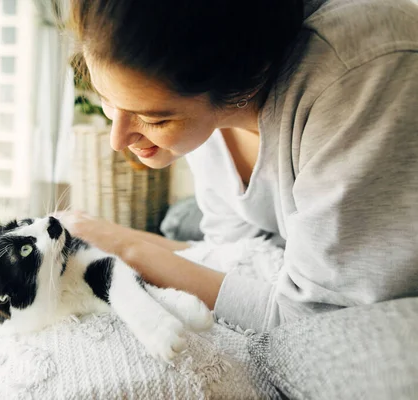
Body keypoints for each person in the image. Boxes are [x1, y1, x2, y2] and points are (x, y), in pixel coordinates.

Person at [61, 0, 418, 332]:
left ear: (237, 84)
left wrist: (129, 251)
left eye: (154, 119)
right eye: (106, 98)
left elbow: (315, 321)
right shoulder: (206, 110)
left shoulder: (356, 76)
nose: (117, 139)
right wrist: (111, 237)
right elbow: (239, 262)